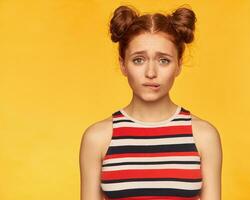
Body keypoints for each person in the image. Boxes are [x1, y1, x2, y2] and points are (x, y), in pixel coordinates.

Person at [79, 5, 222, 200]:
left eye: (163, 60)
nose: (151, 73)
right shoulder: (98, 138)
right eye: (139, 60)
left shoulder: (203, 136)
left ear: (179, 65)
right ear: (123, 64)